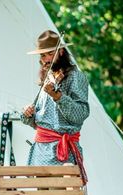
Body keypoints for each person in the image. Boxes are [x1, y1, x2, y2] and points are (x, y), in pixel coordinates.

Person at [21, 30, 90, 183]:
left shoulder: (76, 77)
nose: (46, 59)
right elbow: (41, 121)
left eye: (50, 54)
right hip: (40, 153)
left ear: (61, 51)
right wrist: (28, 114)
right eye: (42, 55)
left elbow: (80, 115)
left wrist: (58, 96)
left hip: (63, 154)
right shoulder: (48, 77)